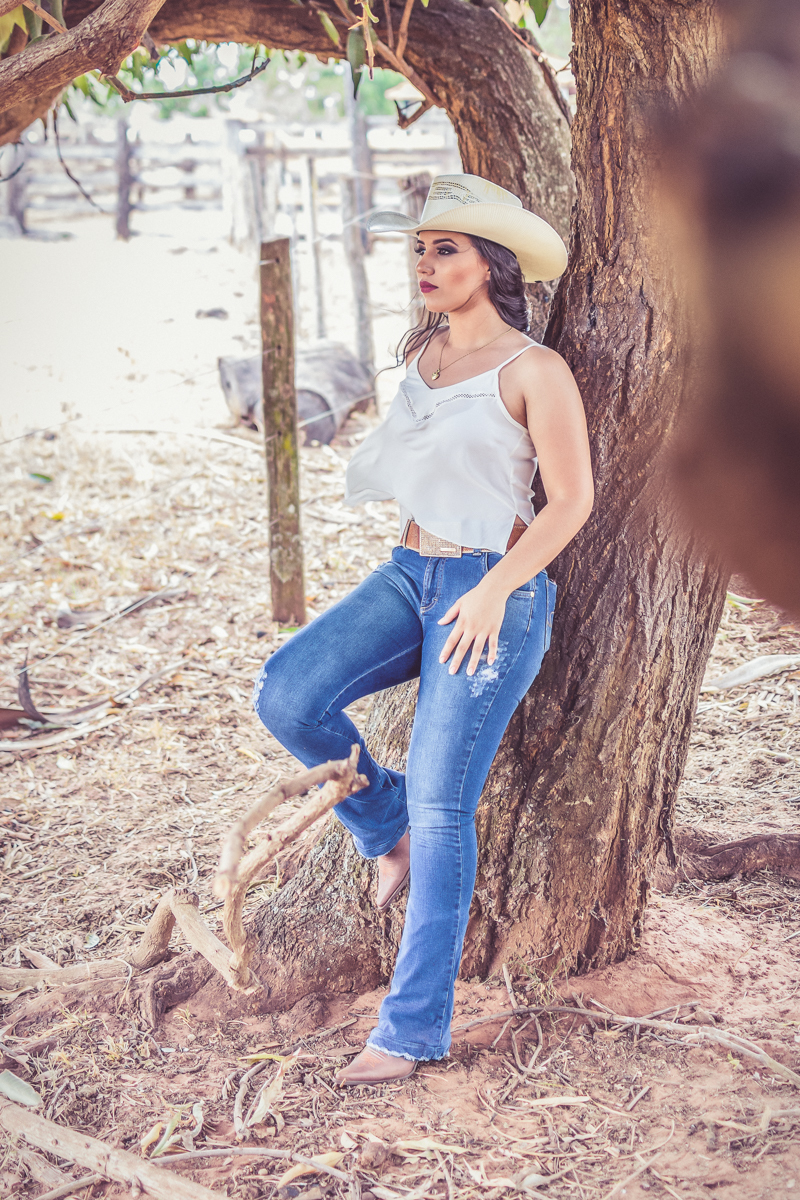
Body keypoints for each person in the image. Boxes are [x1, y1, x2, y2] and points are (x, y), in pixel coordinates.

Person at [253, 174, 594, 1085]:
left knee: (446, 809)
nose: (426, 263)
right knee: (288, 694)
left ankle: (408, 1032)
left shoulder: (535, 371)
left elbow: (571, 502)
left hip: (493, 588)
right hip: (409, 574)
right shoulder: (425, 356)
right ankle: (382, 822)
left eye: (447, 248)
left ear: (493, 263)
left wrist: (493, 592)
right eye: (420, 248)